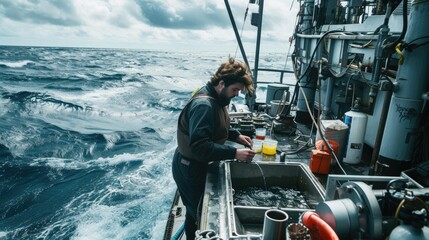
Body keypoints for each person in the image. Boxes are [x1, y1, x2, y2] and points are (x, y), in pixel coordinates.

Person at [172, 58, 256, 239]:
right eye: (235, 90)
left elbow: (213, 126)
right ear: (221, 84)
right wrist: (235, 153)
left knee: (193, 211)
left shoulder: (216, 97)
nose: (236, 95)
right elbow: (199, 146)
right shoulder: (204, 105)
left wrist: (235, 135)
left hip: (193, 164)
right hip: (189, 167)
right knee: (197, 214)